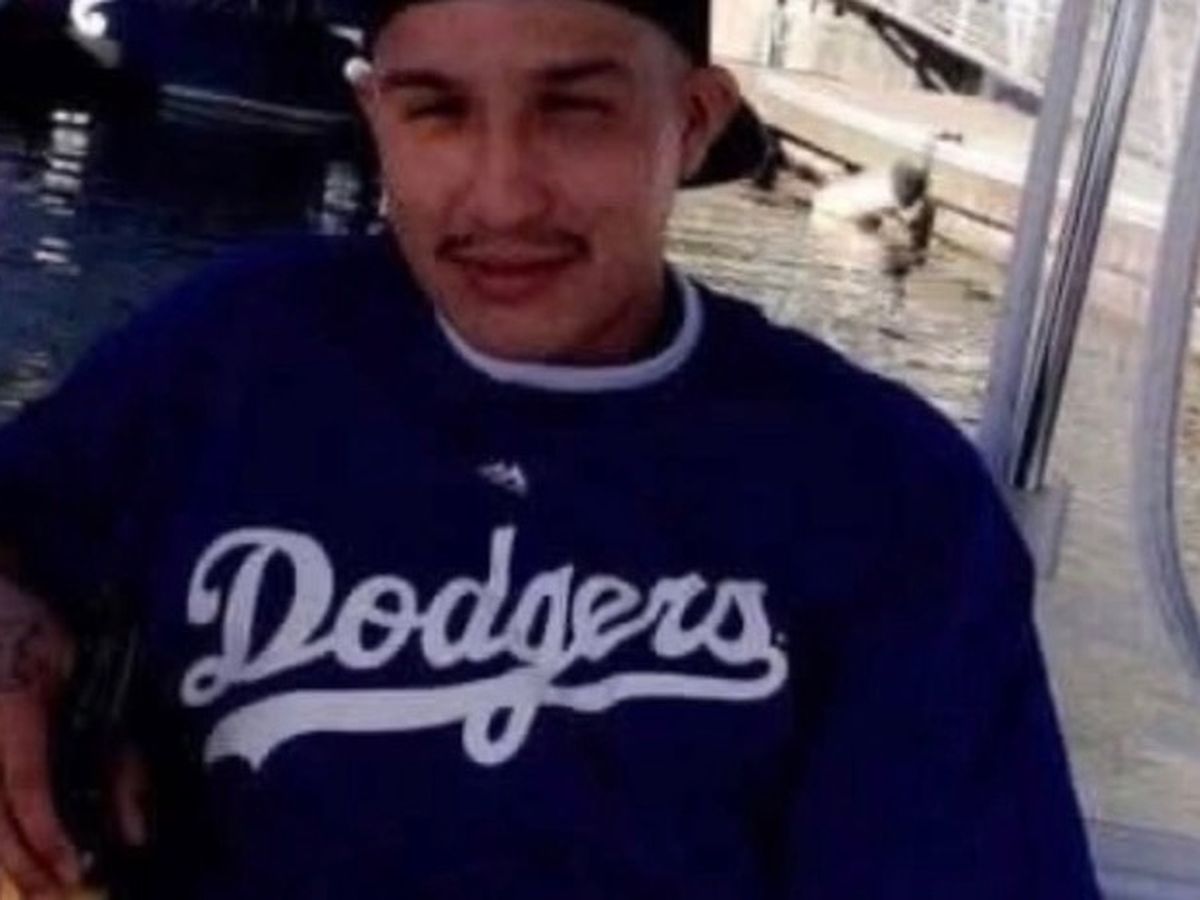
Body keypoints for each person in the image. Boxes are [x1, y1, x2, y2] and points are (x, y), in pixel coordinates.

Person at [0, 1, 1102, 897]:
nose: (502, 195)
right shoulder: (230, 355)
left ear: (695, 121)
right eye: (437, 112)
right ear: (375, 117)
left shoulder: (882, 493)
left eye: (575, 111)